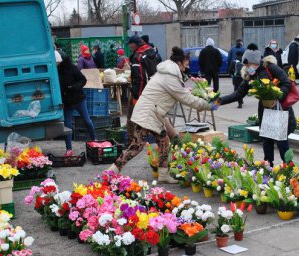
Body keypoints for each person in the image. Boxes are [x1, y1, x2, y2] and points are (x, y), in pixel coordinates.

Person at [108, 47, 217, 182]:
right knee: (137, 146)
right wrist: (207, 105)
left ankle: (163, 174)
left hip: (153, 112)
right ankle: (112, 170)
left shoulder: (169, 72)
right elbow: (186, 99)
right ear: (180, 62)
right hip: (148, 113)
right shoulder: (170, 77)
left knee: (164, 141)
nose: (186, 68)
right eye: (186, 65)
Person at [219, 45, 296, 165]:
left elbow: (287, 82)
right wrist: (220, 101)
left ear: (256, 62)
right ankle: (268, 166)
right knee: (267, 141)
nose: (247, 67)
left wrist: (278, 97)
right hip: (265, 111)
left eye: (249, 65)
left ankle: (289, 168)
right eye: (246, 65)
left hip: (279, 109)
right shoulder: (250, 75)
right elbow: (238, 93)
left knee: (282, 142)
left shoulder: (270, 67)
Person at [56, 50, 96, 156]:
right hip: (66, 102)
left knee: (87, 121)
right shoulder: (55, 70)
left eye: (59, 62)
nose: (58, 63)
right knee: (67, 126)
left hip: (78, 99)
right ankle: (69, 149)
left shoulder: (72, 68)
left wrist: (73, 87)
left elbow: (83, 80)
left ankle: (94, 140)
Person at [127, 35, 158, 143]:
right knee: (152, 117)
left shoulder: (138, 57)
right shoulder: (152, 53)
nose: (129, 47)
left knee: (132, 118)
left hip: (141, 92)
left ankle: (133, 141)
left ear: (133, 44)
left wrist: (136, 95)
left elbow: (139, 78)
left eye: (129, 45)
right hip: (152, 90)